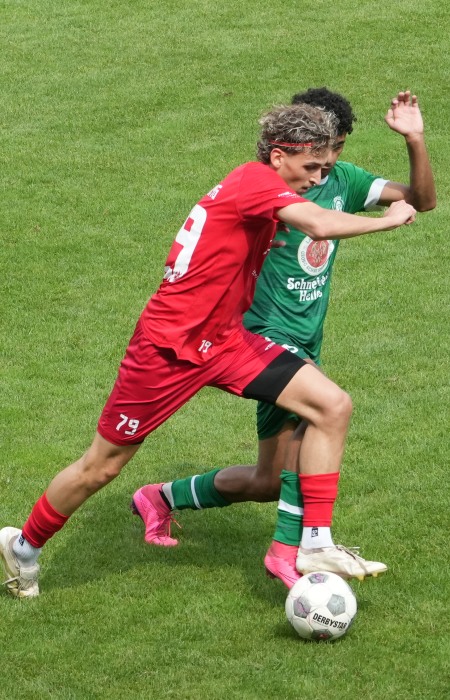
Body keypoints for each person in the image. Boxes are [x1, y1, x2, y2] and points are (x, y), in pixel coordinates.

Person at [0, 102, 416, 599]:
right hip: (167, 350)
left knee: (332, 405)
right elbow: (320, 225)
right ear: (278, 156)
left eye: (325, 168)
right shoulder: (255, 180)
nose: (316, 178)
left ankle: (314, 543)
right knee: (101, 467)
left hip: (226, 342)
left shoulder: (264, 189)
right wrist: (389, 219)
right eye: (310, 167)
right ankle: (24, 546)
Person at [131, 90, 435, 587]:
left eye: (338, 147)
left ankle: (160, 497)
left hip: (307, 337)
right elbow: (316, 224)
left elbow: (422, 200)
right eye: (321, 151)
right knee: (325, 410)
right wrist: (382, 223)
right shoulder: (274, 188)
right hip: (261, 334)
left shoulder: (344, 180)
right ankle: (299, 548)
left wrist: (415, 140)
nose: (329, 162)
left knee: (269, 480)